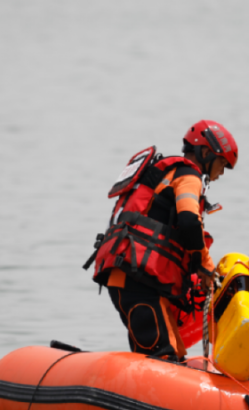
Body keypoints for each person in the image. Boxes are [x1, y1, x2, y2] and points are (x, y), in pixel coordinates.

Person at [85, 121, 238, 361]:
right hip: (139, 279)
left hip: (131, 275)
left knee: (169, 353)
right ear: (206, 153)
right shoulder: (189, 176)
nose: (221, 173)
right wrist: (206, 265)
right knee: (162, 357)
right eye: (222, 164)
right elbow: (189, 222)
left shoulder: (166, 174)